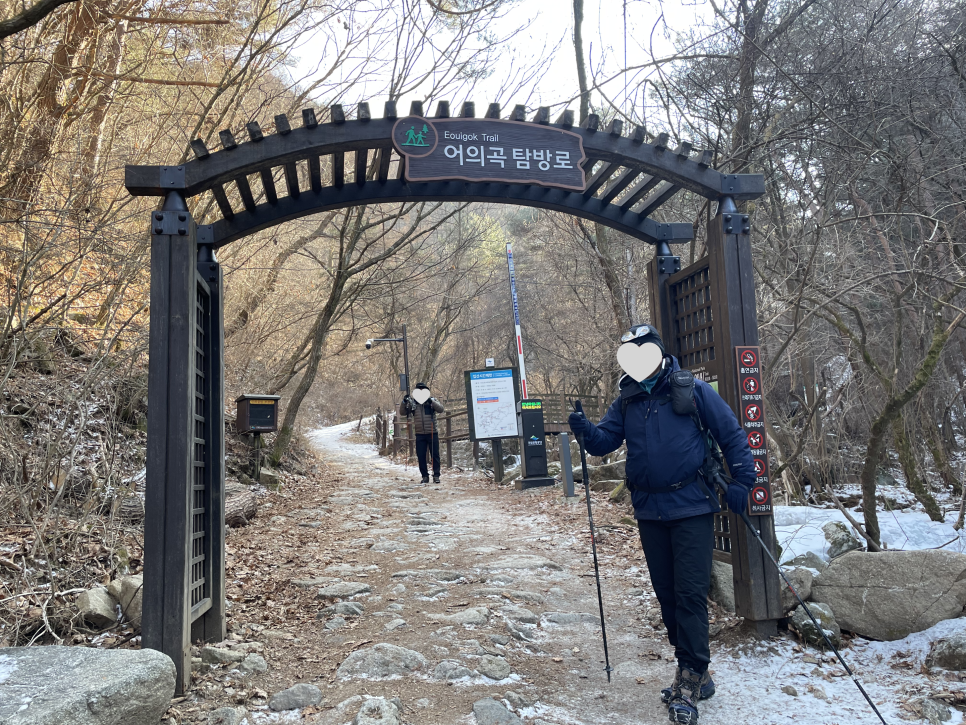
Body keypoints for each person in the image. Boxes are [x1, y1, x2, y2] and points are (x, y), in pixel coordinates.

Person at [568, 324, 754, 725]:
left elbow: (731, 433)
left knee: (689, 594)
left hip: (691, 506)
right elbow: (604, 442)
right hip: (650, 509)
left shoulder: (691, 390)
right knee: (667, 595)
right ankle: (697, 670)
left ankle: (689, 677)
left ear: (659, 352)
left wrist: (743, 480)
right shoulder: (628, 398)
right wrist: (585, 430)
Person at [399, 383, 444, 484]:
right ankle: (425, 476)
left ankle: (436, 475)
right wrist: (404, 402)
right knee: (421, 456)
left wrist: (431, 401)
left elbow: (441, 409)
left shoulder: (432, 400)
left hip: (432, 432)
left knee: (435, 455)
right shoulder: (413, 404)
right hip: (419, 433)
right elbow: (403, 412)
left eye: (423, 390)